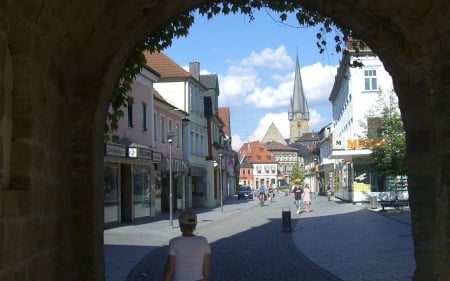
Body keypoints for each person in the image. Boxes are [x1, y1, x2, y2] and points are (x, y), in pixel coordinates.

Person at [162, 210, 211, 281]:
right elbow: (206, 269)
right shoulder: (203, 241)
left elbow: (169, 269)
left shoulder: (174, 242)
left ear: (180, 225)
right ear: (195, 225)